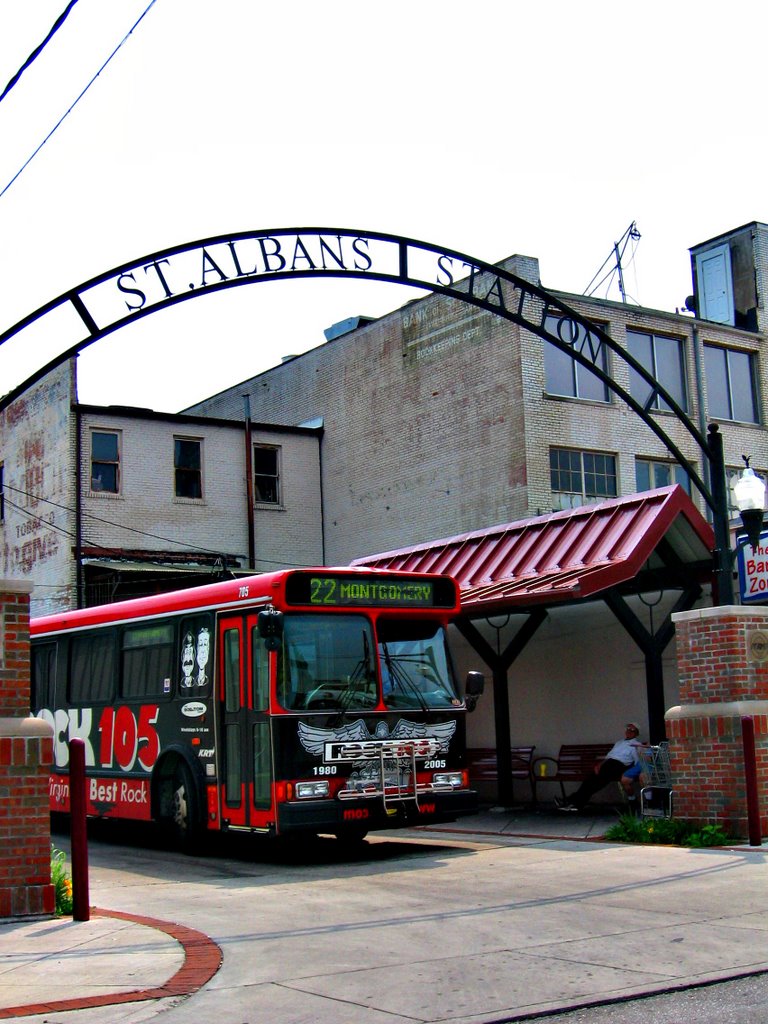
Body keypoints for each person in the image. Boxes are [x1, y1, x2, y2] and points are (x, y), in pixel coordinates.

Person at [556, 723, 646, 812]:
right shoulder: (619, 742)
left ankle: (571, 801)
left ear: (636, 733)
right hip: (608, 765)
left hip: (619, 766)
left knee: (595, 782)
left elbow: (637, 761)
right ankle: (576, 803)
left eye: (632, 730)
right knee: (591, 780)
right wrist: (599, 764)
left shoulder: (636, 744)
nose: (628, 731)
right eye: (627, 729)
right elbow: (609, 756)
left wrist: (632, 773)